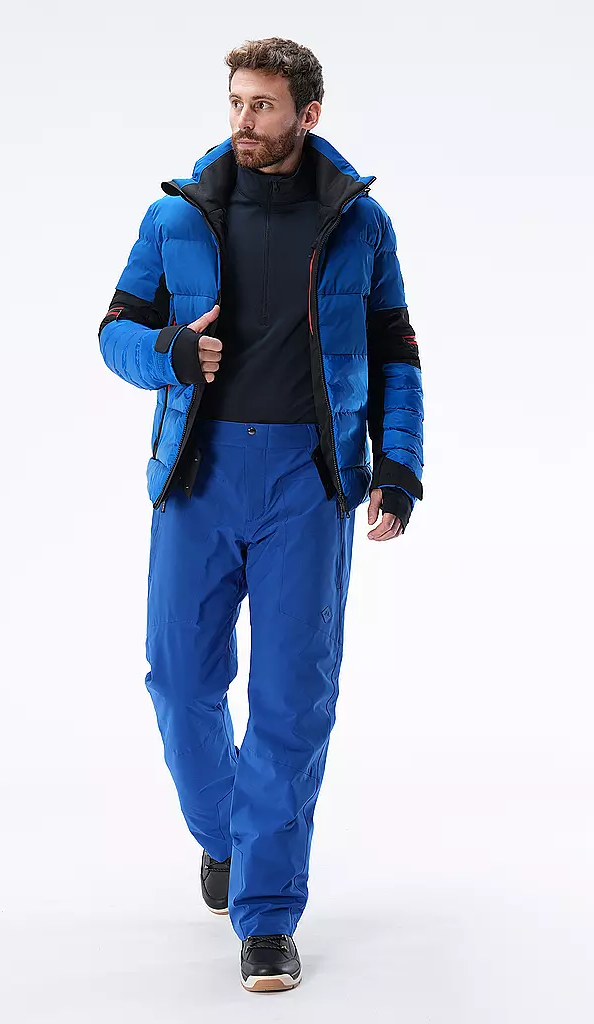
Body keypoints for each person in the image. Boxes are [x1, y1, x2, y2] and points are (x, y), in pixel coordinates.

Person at [97, 36, 424, 993]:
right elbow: (113, 332)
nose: (244, 120)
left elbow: (397, 351)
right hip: (197, 477)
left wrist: (399, 467)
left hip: (309, 486)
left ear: (307, 115)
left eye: (264, 106)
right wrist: (168, 352)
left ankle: (269, 915)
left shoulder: (361, 223)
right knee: (178, 680)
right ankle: (226, 834)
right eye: (237, 102)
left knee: (292, 703)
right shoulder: (177, 214)